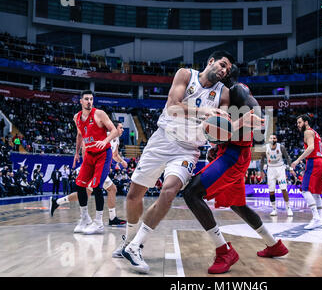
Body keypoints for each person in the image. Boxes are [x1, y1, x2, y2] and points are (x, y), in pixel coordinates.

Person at [115, 51, 234, 273]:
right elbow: (172, 106)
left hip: (188, 150)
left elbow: (220, 126)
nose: (224, 71)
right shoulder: (186, 75)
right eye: (222, 64)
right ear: (211, 62)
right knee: (133, 196)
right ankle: (128, 241)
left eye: (227, 70)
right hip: (163, 139)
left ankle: (135, 246)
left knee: (169, 191)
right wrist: (203, 111)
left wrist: (216, 139)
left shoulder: (224, 93)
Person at [182, 64, 288, 275]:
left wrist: (249, 127)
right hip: (229, 150)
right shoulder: (225, 94)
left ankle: (224, 252)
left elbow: (256, 116)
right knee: (238, 205)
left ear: (228, 74)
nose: (218, 71)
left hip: (235, 154)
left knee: (191, 193)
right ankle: (274, 244)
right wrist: (218, 145)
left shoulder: (238, 90)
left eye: (223, 68)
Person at [50, 120, 127, 226]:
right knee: (92, 193)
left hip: (100, 170)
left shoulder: (116, 139)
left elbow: (115, 155)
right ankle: (100, 219)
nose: (122, 129)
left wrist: (122, 161)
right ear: (114, 127)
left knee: (107, 190)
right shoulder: (104, 135)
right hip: (94, 168)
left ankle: (57, 202)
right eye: (121, 127)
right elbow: (85, 145)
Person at [71, 90, 118, 235]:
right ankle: (85, 218)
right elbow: (80, 135)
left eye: (91, 99)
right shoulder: (77, 117)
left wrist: (104, 141)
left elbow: (114, 130)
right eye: (86, 99)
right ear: (81, 101)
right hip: (89, 155)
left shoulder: (99, 114)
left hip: (103, 154)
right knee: (79, 185)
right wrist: (77, 153)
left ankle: (98, 223)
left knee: (97, 186)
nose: (89, 101)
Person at [291, 114, 322, 230]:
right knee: (316, 193)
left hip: (313, 162)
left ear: (306, 122)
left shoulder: (308, 132)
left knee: (305, 190)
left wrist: (297, 160)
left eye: (299, 122)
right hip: (320, 162)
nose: (298, 125)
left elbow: (310, 148)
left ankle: (316, 218)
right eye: (297, 123)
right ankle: (320, 220)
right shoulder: (316, 133)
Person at [259, 134, 293, 216]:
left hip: (280, 169)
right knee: (271, 191)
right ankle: (274, 209)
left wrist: (291, 168)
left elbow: (287, 157)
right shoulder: (265, 148)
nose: (273, 139)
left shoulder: (281, 147)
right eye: (271, 138)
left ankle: (288, 208)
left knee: (283, 189)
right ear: (269, 139)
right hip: (270, 169)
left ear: (276, 139)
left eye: (274, 138)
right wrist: (261, 171)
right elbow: (262, 159)